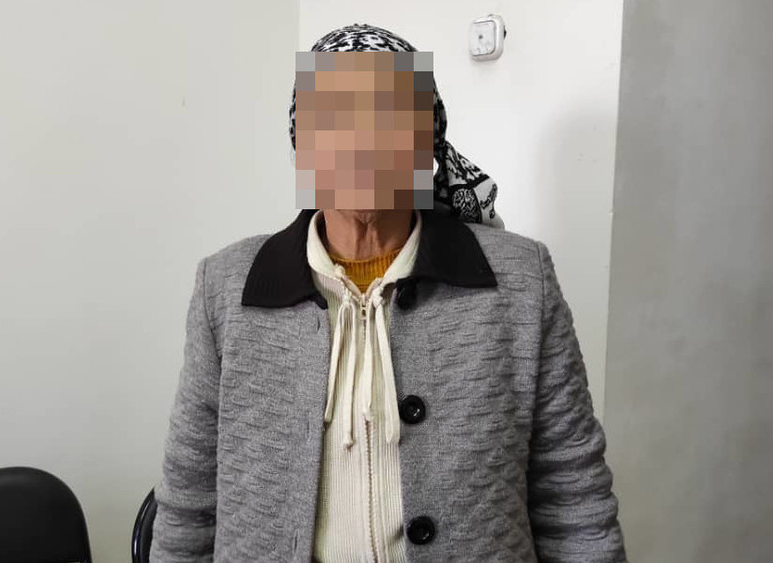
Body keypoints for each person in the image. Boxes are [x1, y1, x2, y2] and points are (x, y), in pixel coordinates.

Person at [150, 23, 626, 563]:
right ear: (302, 144)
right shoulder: (228, 288)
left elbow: (573, 499)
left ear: (427, 142)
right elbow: (189, 505)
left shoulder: (520, 283)